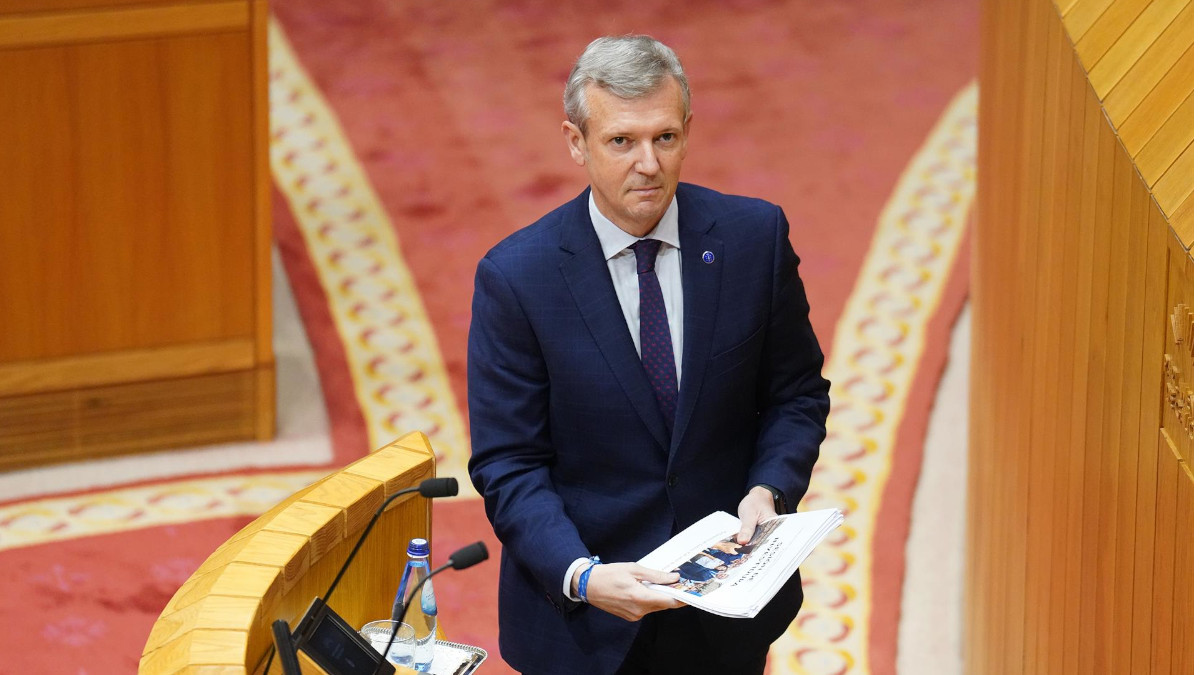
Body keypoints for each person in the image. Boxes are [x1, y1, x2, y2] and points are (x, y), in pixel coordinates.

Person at [467, 34, 830, 675]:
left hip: (724, 614)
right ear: (576, 142)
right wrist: (581, 575)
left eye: (665, 138)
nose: (649, 164)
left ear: (688, 130)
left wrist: (769, 487)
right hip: (585, 627)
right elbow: (510, 463)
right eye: (621, 142)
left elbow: (795, 393)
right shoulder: (517, 278)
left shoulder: (754, 239)